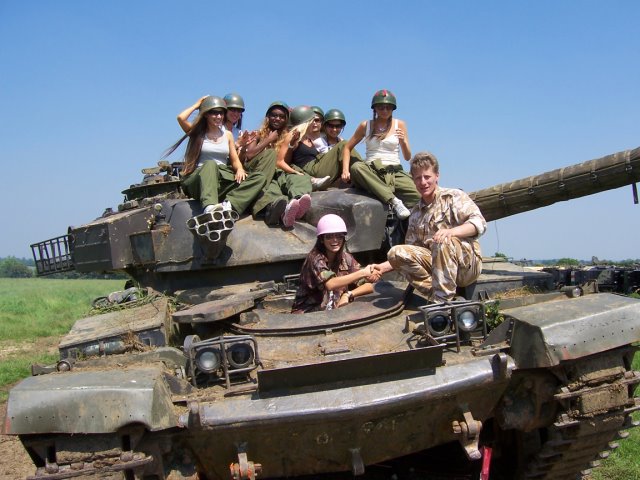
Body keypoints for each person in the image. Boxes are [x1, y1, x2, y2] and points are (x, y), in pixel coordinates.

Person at [374, 152, 487, 303]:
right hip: (437, 267)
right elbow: (412, 253)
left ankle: (442, 303)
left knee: (442, 241)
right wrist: (383, 267)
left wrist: (451, 232)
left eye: (427, 177)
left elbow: (479, 223)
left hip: (465, 267)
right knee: (396, 253)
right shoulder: (415, 213)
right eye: (418, 178)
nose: (423, 182)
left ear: (437, 176)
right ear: (413, 180)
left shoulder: (454, 197)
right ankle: (438, 293)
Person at [165, 95, 266, 215]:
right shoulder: (197, 133)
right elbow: (181, 118)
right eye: (214, 113)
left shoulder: (227, 135)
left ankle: (229, 205)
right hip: (199, 179)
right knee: (210, 164)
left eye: (221, 113)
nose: (218, 116)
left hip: (221, 178)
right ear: (206, 114)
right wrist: (197, 105)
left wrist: (239, 169)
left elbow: (234, 160)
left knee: (259, 177)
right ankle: (210, 207)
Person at [342, 89, 420, 220]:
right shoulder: (365, 125)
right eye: (381, 107)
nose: (385, 110)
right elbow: (347, 147)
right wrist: (345, 170)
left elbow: (407, 157)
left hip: (394, 171)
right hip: (372, 170)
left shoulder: (400, 124)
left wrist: (403, 141)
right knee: (356, 167)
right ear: (375, 109)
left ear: (393, 108)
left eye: (388, 107)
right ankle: (394, 201)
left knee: (419, 195)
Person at [292, 214, 380, 313]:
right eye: (329, 236)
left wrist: (348, 294)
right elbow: (331, 284)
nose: (335, 240)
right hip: (308, 315)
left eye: (339, 236)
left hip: (334, 314)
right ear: (321, 239)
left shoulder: (347, 259)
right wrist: (363, 273)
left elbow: (368, 286)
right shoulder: (315, 259)